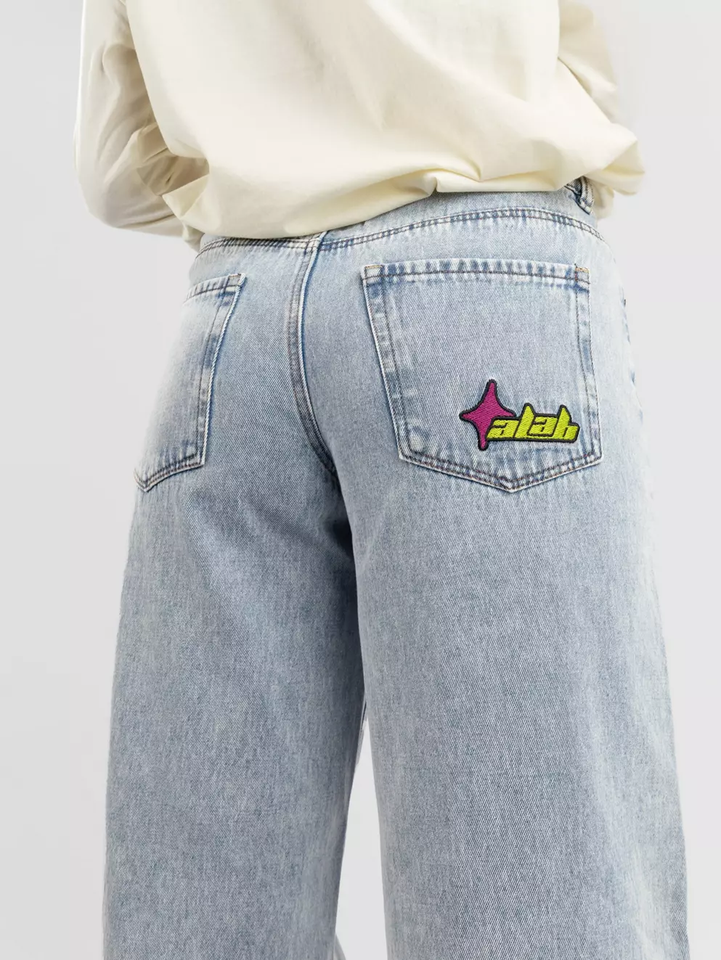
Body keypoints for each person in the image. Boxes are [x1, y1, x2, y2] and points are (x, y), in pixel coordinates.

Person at [74, 3, 691, 960]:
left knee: (203, 929)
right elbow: (609, 61)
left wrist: (270, 156)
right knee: (543, 912)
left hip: (230, 328)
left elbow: (116, 167)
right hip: (481, 289)